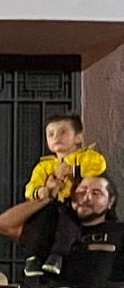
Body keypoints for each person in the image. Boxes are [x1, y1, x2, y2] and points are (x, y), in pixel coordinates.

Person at [9, 114, 109, 279]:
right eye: (51, 134)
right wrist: (41, 191)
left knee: (67, 224)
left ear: (78, 137)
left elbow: (97, 167)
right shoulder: (44, 165)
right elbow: (31, 186)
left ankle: (57, 256)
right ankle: (34, 257)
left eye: (63, 132)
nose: (56, 138)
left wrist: (72, 170)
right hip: (50, 205)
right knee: (37, 224)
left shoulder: (88, 156)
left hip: (73, 205)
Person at [0, 170, 121, 288]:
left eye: (96, 193)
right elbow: (2, 225)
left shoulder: (118, 233)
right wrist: (46, 197)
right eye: (82, 190)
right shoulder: (50, 227)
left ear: (110, 202)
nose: (86, 198)